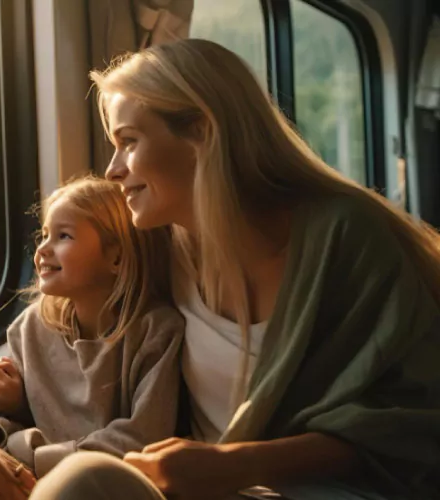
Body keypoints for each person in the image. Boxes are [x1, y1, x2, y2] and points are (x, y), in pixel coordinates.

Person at [28, 39, 440, 500]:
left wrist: (238, 464)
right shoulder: (157, 248)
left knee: (83, 483)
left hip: (320, 491)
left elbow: (409, 419)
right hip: (191, 490)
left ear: (201, 133)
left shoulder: (344, 235)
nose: (112, 170)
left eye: (128, 142)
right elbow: (83, 323)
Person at [0, 176, 185, 500]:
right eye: (44, 235)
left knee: (76, 483)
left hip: (102, 486)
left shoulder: (157, 331)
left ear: (116, 257)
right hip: (33, 474)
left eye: (63, 236)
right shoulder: (31, 328)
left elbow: (142, 440)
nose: (42, 250)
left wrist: (30, 457)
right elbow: (4, 417)